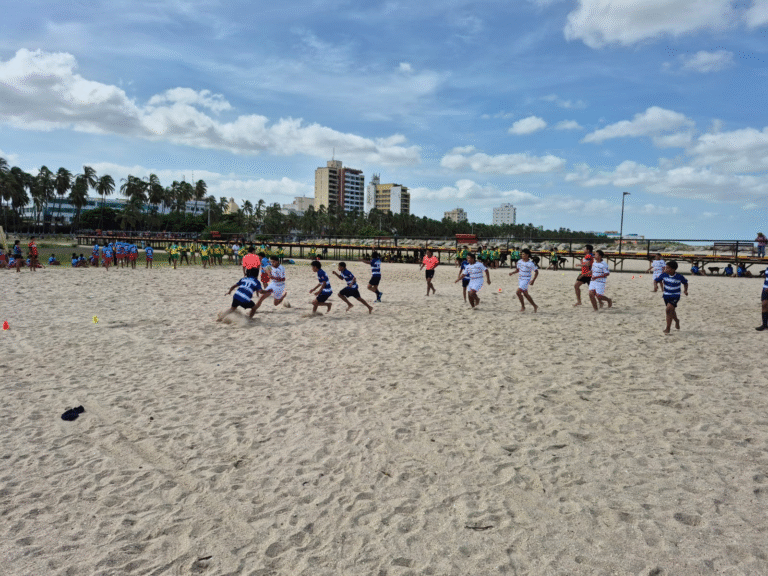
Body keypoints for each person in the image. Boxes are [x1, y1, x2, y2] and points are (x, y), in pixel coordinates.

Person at [657, 260, 688, 334]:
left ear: (673, 269)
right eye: (665, 268)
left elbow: (685, 283)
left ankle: (668, 328)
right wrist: (655, 286)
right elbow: (656, 280)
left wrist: (685, 290)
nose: (665, 269)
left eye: (667, 268)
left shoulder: (679, 276)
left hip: (675, 295)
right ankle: (676, 320)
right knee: (671, 311)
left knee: (668, 309)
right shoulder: (664, 275)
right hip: (666, 295)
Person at [509, 248, 539, 312]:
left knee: (518, 292)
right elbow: (518, 269)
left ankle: (523, 307)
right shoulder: (519, 262)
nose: (522, 255)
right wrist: (512, 273)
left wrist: (533, 280)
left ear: (527, 255)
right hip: (520, 279)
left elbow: (536, 271)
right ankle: (534, 305)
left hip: (526, 279)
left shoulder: (530, 263)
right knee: (525, 294)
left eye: (524, 254)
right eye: (522, 254)